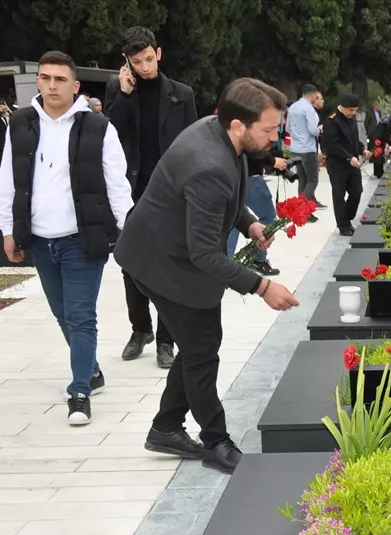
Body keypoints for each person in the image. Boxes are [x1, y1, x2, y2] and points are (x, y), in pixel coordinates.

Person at [115, 78, 300, 474]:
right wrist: (263, 286)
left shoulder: (221, 134)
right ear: (238, 125)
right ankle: (215, 441)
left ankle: (165, 427)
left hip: (173, 250)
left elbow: (228, 199)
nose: (274, 137)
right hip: (160, 261)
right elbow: (203, 253)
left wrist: (249, 223)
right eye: (268, 129)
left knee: (201, 343)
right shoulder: (209, 164)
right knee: (201, 350)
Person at [0, 51, 134, 425]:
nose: (52, 85)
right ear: (37, 82)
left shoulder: (99, 127)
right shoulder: (20, 124)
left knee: (80, 315)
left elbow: (117, 185)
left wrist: (130, 231)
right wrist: (8, 229)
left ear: (74, 86)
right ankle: (90, 369)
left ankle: (79, 392)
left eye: (60, 79)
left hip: (83, 238)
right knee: (62, 314)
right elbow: (10, 182)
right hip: (40, 239)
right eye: (45, 78)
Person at [105, 26, 198, 368]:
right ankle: (140, 327)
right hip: (131, 192)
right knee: (130, 263)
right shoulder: (118, 90)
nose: (144, 67)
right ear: (126, 61)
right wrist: (125, 95)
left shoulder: (182, 94)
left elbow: (193, 144)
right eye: (136, 61)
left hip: (171, 192)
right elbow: (110, 136)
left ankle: (165, 340)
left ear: (158, 54)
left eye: (148, 58)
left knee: (169, 266)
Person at [225, 140, 285, 276]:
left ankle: (227, 264)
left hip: (236, 174)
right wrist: (272, 160)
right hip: (250, 177)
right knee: (267, 216)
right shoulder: (245, 124)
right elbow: (252, 143)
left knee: (235, 218)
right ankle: (258, 258)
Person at [322, 93, 365, 237]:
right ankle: (343, 226)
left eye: (355, 110)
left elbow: (353, 140)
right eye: (351, 110)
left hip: (353, 163)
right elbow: (332, 145)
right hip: (338, 164)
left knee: (357, 191)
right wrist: (348, 158)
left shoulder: (351, 120)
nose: (353, 113)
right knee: (339, 195)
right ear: (343, 107)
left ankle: (347, 218)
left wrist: (362, 150)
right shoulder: (331, 121)